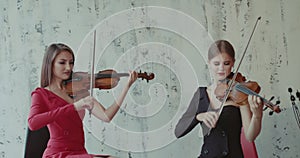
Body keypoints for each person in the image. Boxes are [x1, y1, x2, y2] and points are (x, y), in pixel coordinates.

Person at [27, 43, 137, 158]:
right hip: (58, 154)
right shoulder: (41, 94)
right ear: (50, 64)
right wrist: (74, 106)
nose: (68, 68)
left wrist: (126, 87)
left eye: (71, 63)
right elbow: (32, 123)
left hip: (79, 152)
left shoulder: (79, 91)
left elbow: (106, 116)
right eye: (62, 63)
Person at [175, 40, 263, 158]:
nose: (221, 68)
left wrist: (257, 115)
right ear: (209, 63)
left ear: (233, 63)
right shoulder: (201, 94)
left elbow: (250, 136)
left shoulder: (239, 94)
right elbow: (178, 131)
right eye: (216, 64)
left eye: (226, 63)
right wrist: (199, 116)